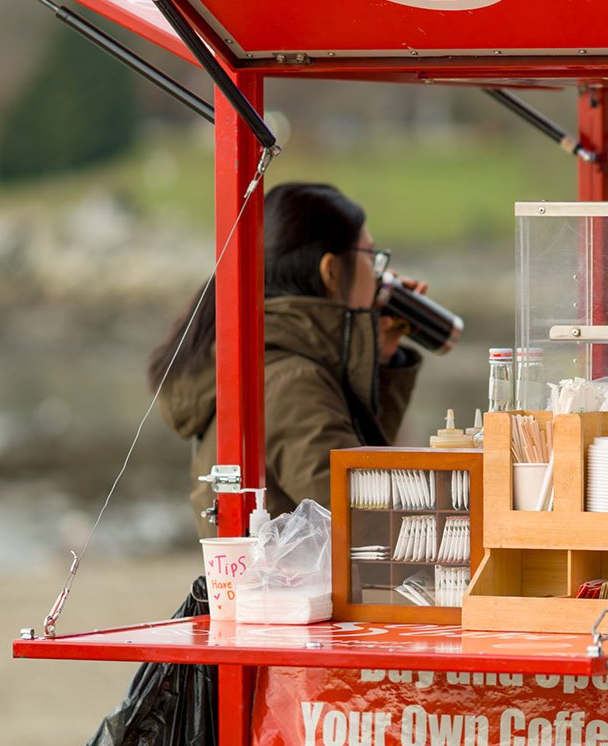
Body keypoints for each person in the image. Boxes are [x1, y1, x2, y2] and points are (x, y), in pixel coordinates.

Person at [150, 182, 430, 536]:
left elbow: (357, 463)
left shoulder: (269, 362)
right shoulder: (292, 382)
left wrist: (380, 359)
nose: (379, 278)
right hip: (293, 590)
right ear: (331, 271)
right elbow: (365, 521)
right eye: (371, 257)